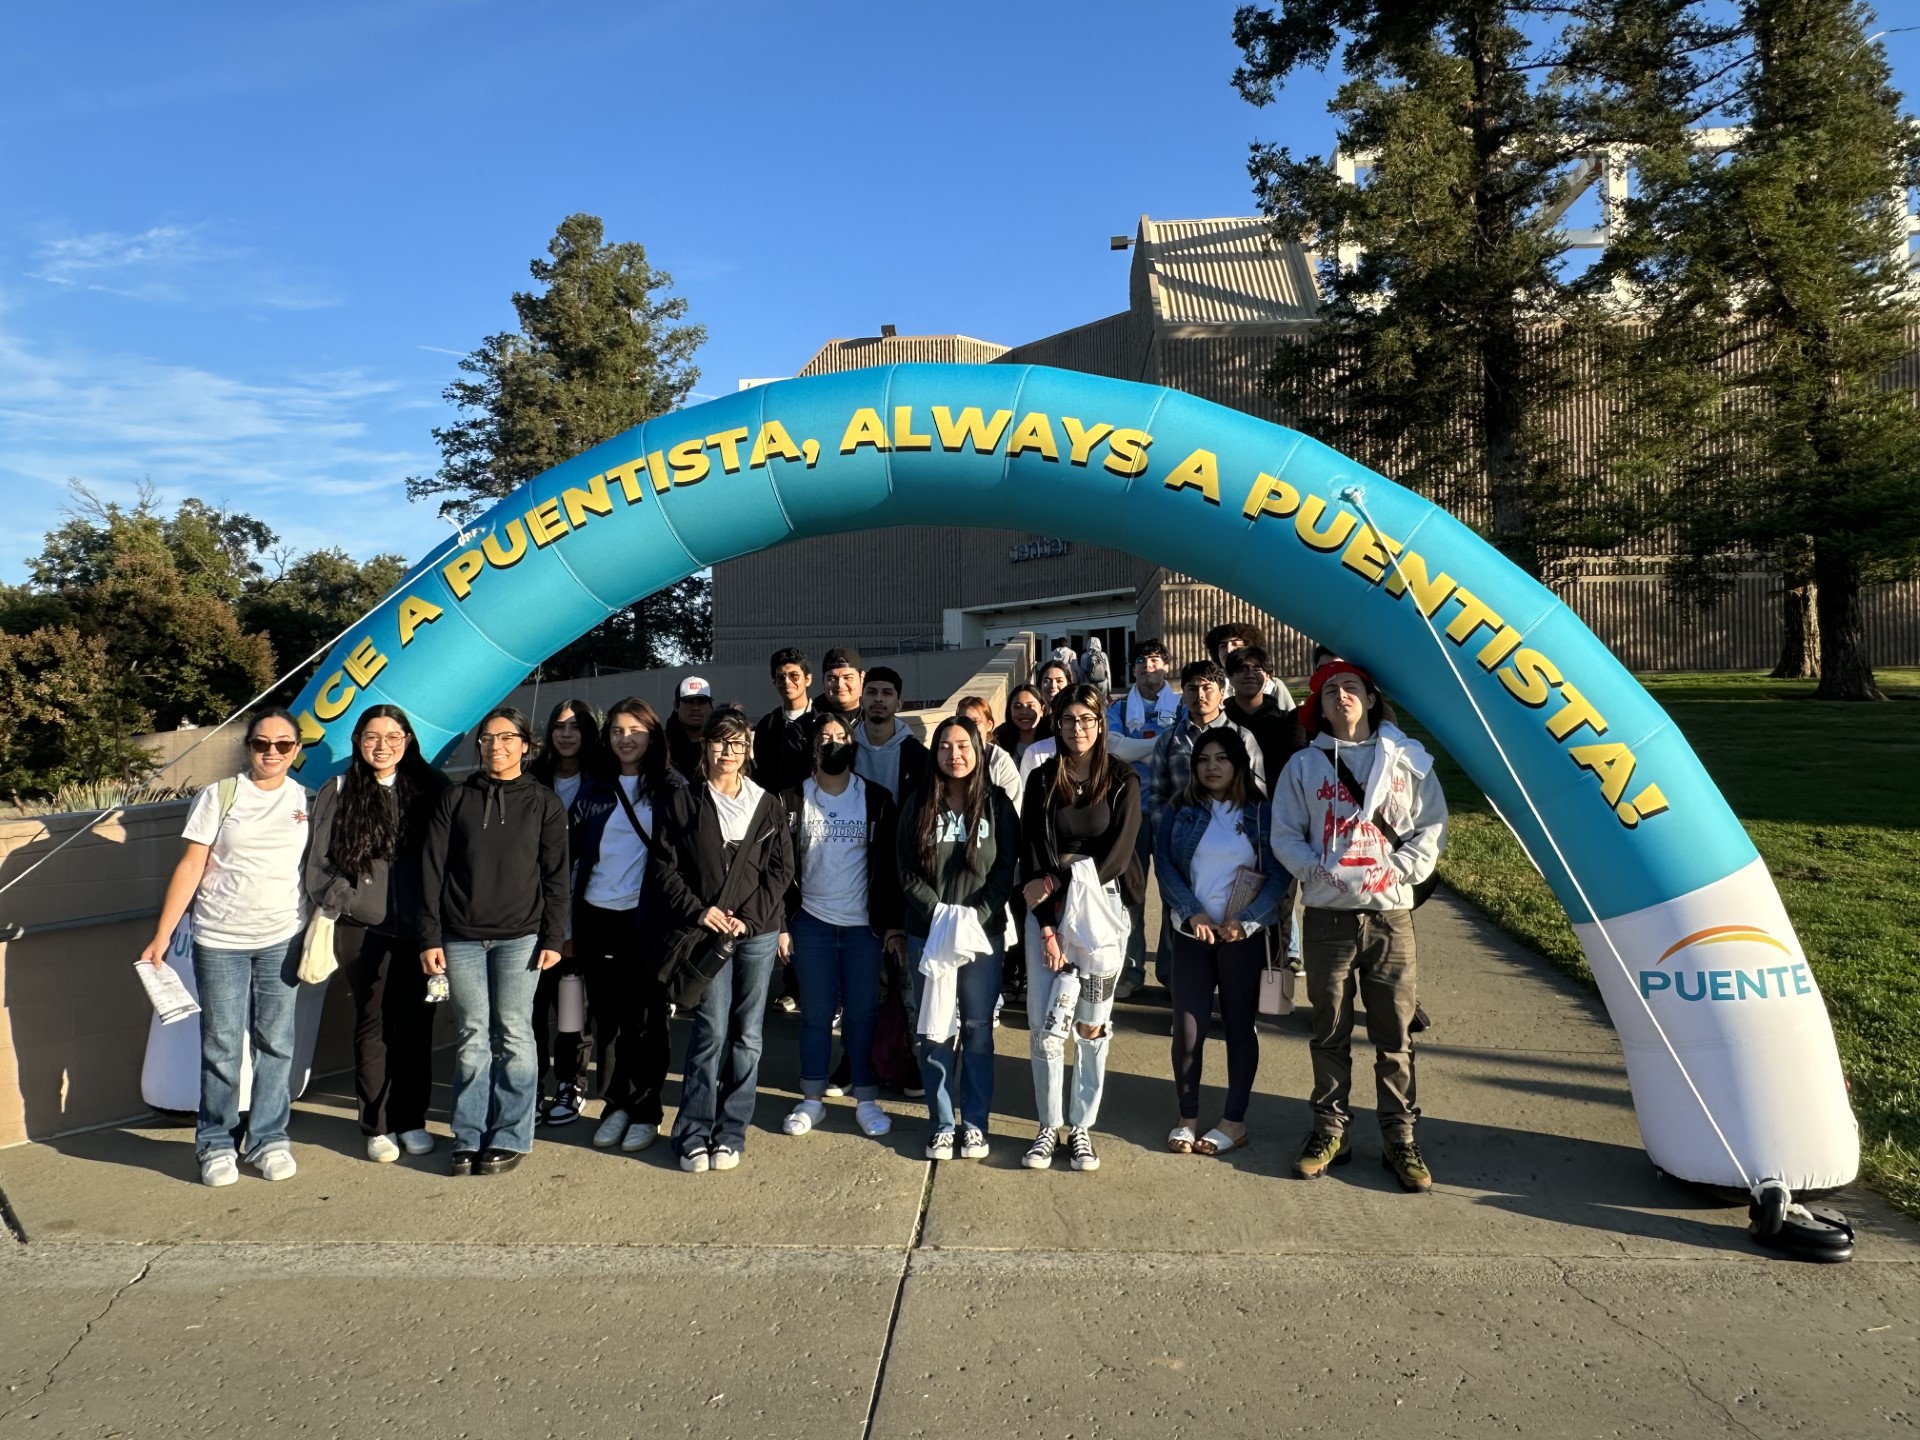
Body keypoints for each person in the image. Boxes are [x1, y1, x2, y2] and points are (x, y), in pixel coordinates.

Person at [1270, 661, 1447, 1192]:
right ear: (1318, 708)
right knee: (1329, 1029)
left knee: (1394, 1032)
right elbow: (1285, 833)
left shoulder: (1408, 761)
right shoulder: (1305, 765)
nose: (1341, 697)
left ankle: (1400, 1136)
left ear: (1370, 699)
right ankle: (1330, 1130)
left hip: (1390, 915)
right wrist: (1312, 869)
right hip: (1328, 915)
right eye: (1330, 692)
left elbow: (1431, 825)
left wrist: (1399, 869)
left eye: (1351, 689)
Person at [142, 708, 312, 1188]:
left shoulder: (307, 800)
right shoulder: (220, 795)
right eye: (262, 744)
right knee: (219, 1046)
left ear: (296, 751)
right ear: (249, 747)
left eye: (283, 745)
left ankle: (268, 1139)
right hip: (219, 940)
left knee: (276, 1045)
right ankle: (215, 1143)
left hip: (282, 937)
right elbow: (192, 865)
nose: (272, 753)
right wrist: (161, 935)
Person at [420, 708, 569, 1178]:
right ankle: (468, 1136)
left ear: (526, 745)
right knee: (471, 1038)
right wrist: (429, 936)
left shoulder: (544, 803)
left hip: (520, 939)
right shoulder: (455, 798)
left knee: (516, 1035)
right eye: (487, 739)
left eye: (507, 738)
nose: (496, 746)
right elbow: (432, 871)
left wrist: (554, 935)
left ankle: (509, 1134)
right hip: (460, 937)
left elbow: (556, 876)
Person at [652, 707, 795, 1172]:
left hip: (756, 933)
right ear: (706, 746)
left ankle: (731, 1130)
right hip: (705, 932)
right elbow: (664, 869)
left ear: (748, 747)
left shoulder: (767, 802)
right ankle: (694, 1130)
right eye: (719, 741)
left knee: (748, 1033)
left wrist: (749, 920)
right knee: (710, 1031)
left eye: (736, 743)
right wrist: (702, 911)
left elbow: (781, 870)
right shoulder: (683, 801)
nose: (727, 752)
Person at [303, 705, 446, 1164]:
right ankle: (378, 1125)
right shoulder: (340, 789)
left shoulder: (433, 788)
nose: (381, 746)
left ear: (408, 739)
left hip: (421, 930)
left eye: (392, 735)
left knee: (416, 1027)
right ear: (358, 741)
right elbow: (318, 863)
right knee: (372, 1024)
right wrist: (350, 900)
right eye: (371, 736)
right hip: (362, 930)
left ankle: (412, 1120)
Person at [1018, 685, 1142, 1173]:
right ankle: (1048, 1125)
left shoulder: (1123, 779)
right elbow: (1032, 853)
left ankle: (1081, 1126)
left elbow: (1117, 855)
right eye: (1068, 720)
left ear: (1100, 722)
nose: (1077, 729)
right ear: (1057, 723)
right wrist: (1047, 927)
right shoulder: (1043, 778)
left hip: (1102, 915)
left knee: (1091, 1025)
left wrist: (1060, 876)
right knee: (1046, 1028)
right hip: (1049, 911)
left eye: (1087, 719)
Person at [1154, 728, 1287, 1158]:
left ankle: (1234, 1121)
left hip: (1240, 939)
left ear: (1239, 764)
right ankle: (1186, 1118)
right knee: (1188, 1031)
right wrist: (1191, 911)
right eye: (1203, 759)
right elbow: (1166, 865)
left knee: (1238, 1028)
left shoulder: (1262, 814)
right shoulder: (1182, 811)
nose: (1212, 767)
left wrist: (1246, 922)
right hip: (1191, 934)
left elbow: (1280, 876)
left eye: (1222, 759)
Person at [897, 715, 1019, 1160]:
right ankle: (943, 1122)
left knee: (977, 1029)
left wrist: (974, 918)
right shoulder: (918, 803)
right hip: (927, 935)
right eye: (946, 746)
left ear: (979, 749)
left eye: (964, 746)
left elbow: (1006, 868)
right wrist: (940, 915)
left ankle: (976, 1124)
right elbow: (905, 869)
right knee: (934, 1029)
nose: (955, 754)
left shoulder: (998, 804)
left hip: (981, 938)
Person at [778, 713, 904, 1140]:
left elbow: (889, 869)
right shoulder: (790, 800)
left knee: (862, 1015)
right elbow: (777, 869)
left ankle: (866, 1099)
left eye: (841, 737)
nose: (833, 743)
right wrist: (783, 923)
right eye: (824, 738)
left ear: (853, 745)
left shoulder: (877, 799)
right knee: (815, 1016)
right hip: (810, 924)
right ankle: (811, 1098)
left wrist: (891, 926)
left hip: (862, 929)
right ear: (813, 748)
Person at [571, 697, 681, 1153]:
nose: (625, 738)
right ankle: (615, 1103)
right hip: (597, 915)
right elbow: (571, 849)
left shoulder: (672, 788)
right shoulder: (595, 787)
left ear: (653, 735)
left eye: (635, 730)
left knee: (647, 1019)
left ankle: (646, 1108)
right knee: (607, 1017)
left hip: (647, 920)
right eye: (617, 730)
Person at [528, 698, 601, 1125]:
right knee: (532, 1009)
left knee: (572, 1007)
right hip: (530, 914)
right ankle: (532, 1084)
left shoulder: (601, 781)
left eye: (576, 726)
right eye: (560, 725)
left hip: (581, 911)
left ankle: (570, 1083)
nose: (567, 733)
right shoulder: (531, 778)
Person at [1106, 639, 1181, 997]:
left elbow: (1185, 745)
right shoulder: (1118, 708)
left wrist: (1138, 747)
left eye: (1155, 661)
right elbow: (1114, 749)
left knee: (1174, 896)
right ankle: (1130, 973)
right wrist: (1162, 743)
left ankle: (1170, 974)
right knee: (1129, 896)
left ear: (1167, 666)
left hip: (1172, 811)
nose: (1149, 667)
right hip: (1131, 813)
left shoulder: (1182, 705)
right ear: (1132, 669)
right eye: (1141, 662)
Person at [1223, 646, 1305, 798]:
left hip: (1278, 805)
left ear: (1268, 676)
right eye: (1242, 669)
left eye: (1257, 669)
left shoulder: (1286, 723)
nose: (1249, 675)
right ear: (1230, 677)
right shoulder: (1220, 722)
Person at [782, 646, 865, 783]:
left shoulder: (874, 724)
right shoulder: (801, 730)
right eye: (832, 678)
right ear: (823, 682)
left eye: (847, 677)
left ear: (862, 678)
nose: (840, 684)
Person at [854, 665, 931, 802]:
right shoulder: (845, 749)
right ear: (861, 701)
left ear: (899, 704)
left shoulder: (919, 756)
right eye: (871, 692)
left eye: (887, 693)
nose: (878, 698)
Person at [752, 647, 814, 793]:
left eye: (794, 676)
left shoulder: (823, 720)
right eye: (781, 677)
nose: (787, 681)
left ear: (807, 679)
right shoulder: (767, 725)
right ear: (775, 682)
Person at [1206, 622, 1295, 710]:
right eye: (1223, 646)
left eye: (1235, 644)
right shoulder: (1207, 685)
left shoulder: (1273, 686)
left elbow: (1292, 720)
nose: (1229, 650)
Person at [956, 695, 1022, 808]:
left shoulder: (1001, 762)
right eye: (963, 722)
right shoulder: (949, 756)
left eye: (975, 722)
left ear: (989, 725)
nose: (969, 728)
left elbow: (1009, 810)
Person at [992, 683, 1052, 769]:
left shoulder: (1053, 741)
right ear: (1010, 710)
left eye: (1030, 706)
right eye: (1017, 706)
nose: (1024, 712)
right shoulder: (999, 741)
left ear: (1042, 710)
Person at [664, 676, 714, 779]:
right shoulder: (661, 744)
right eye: (689, 702)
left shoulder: (722, 743)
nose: (696, 708)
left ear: (710, 706)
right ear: (675, 706)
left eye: (702, 701)